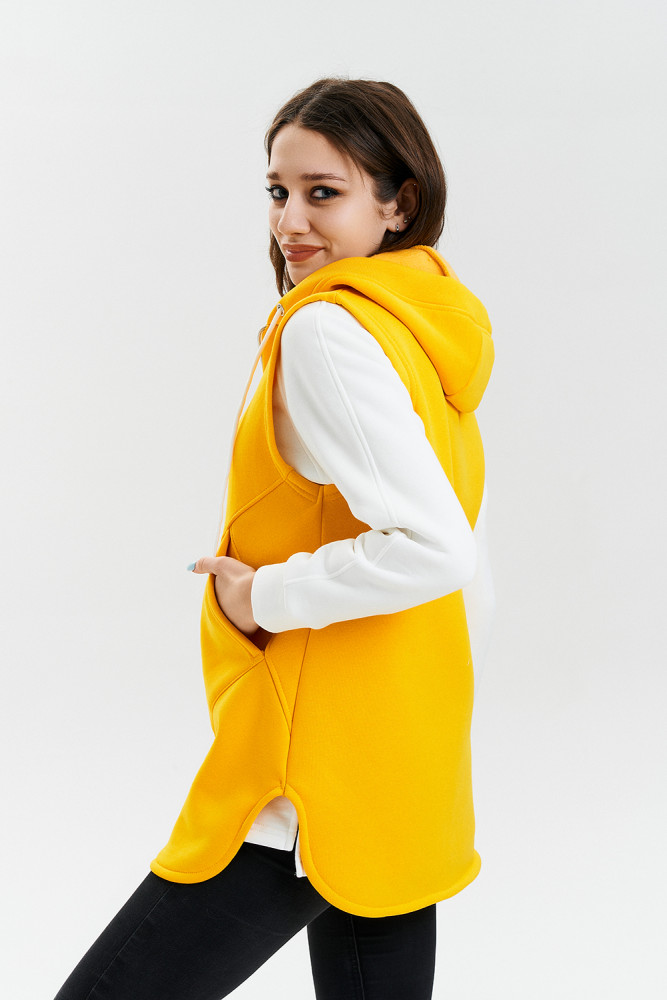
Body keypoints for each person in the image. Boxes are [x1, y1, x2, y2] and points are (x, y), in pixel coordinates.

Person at [53, 76, 495, 1000]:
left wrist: (261, 594)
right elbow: (461, 556)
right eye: (277, 190)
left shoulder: (328, 329)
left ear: (398, 202)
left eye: (322, 192)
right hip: (396, 753)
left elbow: (433, 546)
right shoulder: (419, 321)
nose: (290, 220)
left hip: (305, 774)